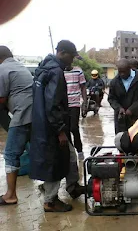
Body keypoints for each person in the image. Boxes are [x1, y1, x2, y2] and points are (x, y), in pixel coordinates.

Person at [30, 40, 85, 212]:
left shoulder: (42, 69)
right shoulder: (55, 72)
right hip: (52, 126)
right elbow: (53, 104)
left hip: (42, 122)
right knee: (54, 161)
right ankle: (50, 201)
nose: (72, 61)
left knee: (69, 155)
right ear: (62, 52)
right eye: (71, 57)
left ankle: (72, 186)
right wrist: (60, 130)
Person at [0, 46, 33, 206]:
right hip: (34, 115)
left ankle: (10, 195)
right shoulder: (19, 66)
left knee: (11, 154)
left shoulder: (3, 69)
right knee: (35, 149)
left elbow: (0, 99)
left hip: (22, 116)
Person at [108, 58, 138, 134]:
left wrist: (132, 109)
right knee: (121, 141)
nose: (122, 74)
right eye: (120, 72)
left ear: (130, 68)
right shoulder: (114, 82)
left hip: (137, 117)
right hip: (121, 119)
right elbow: (111, 98)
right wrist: (119, 108)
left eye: (124, 72)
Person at [64, 65, 87, 161]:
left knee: (74, 128)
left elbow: (83, 87)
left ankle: (80, 150)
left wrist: (85, 102)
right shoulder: (59, 71)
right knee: (66, 130)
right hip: (63, 105)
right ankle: (70, 152)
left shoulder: (78, 71)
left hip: (75, 104)